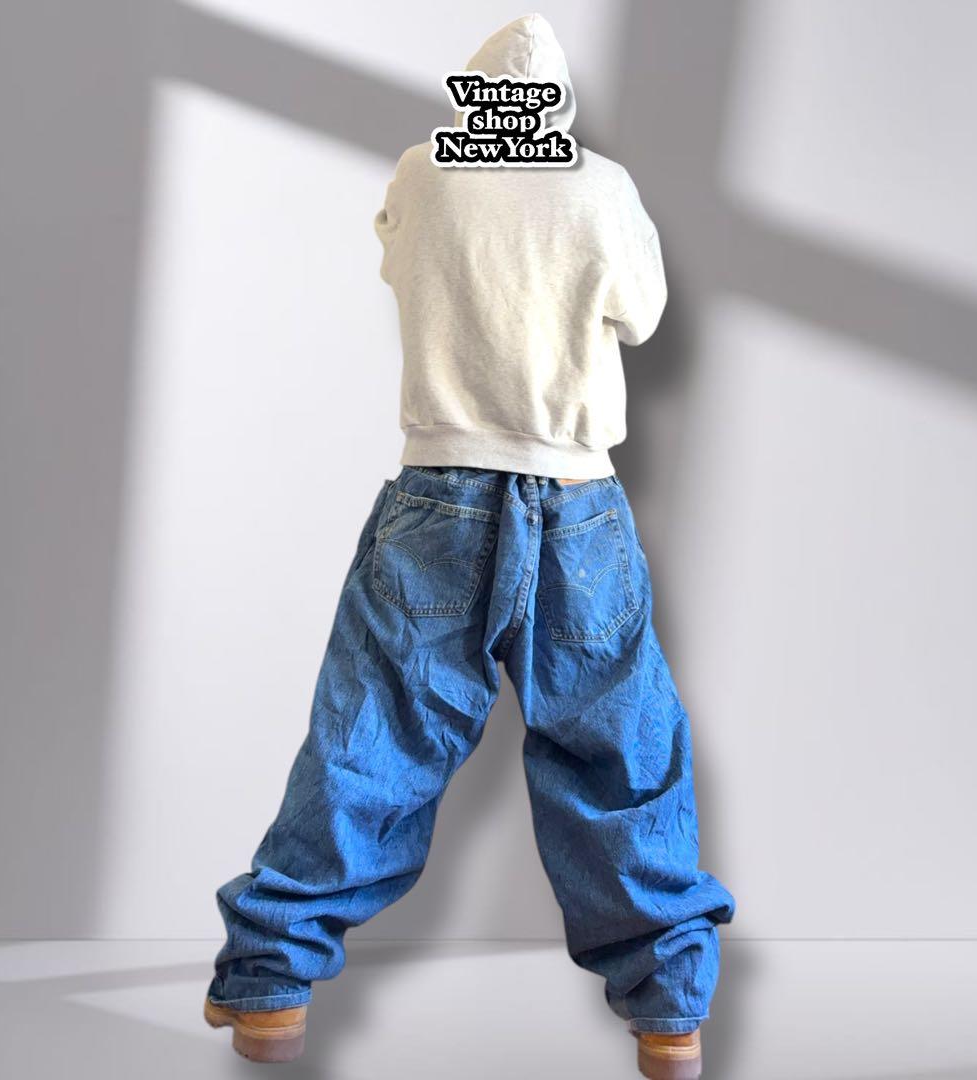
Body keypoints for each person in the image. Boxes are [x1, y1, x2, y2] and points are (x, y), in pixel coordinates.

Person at [203, 13, 735, 1079]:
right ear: (557, 105)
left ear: (474, 93)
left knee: (371, 741)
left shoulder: (425, 172)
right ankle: (669, 1015)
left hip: (438, 491)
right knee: (620, 755)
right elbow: (642, 313)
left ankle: (270, 985)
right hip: (577, 502)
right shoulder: (601, 188)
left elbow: (394, 259)